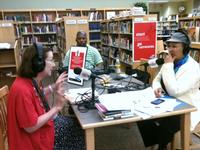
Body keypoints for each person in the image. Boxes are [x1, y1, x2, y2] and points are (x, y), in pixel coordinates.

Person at [7, 43, 85, 150]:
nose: (54, 64)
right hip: (32, 141)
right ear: (38, 63)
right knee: (78, 131)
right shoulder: (22, 90)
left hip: (38, 133)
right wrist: (56, 108)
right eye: (51, 60)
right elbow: (30, 127)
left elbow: (35, 95)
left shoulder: (28, 81)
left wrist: (53, 87)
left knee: (75, 124)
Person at [138, 30, 200, 150]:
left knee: (167, 122)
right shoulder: (171, 61)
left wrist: (168, 66)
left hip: (186, 105)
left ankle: (162, 145)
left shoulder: (192, 67)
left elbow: (174, 91)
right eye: (169, 46)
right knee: (142, 116)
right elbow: (156, 80)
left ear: (185, 48)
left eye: (175, 46)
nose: (170, 49)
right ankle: (159, 142)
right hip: (166, 101)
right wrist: (157, 88)